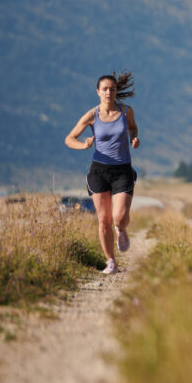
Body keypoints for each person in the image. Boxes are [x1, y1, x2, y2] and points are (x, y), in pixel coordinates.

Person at [65, 72, 140, 275]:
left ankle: (121, 229)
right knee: (104, 219)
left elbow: (133, 128)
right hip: (99, 170)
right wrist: (83, 145)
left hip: (122, 169)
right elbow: (69, 138)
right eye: (105, 89)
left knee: (119, 217)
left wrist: (134, 139)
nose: (108, 93)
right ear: (98, 92)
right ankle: (111, 262)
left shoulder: (126, 111)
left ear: (116, 91)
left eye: (112, 89)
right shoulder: (92, 115)